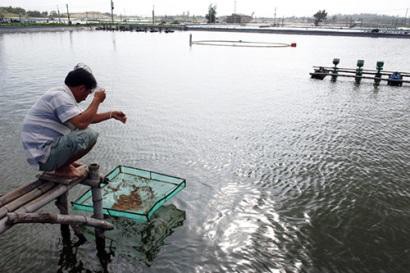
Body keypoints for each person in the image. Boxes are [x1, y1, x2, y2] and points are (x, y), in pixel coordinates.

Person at [21, 64, 127, 177]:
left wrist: (111, 114)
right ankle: (62, 168)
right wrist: (97, 100)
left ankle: (64, 163)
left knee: (81, 130)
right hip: (43, 156)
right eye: (87, 93)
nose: (86, 97)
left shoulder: (61, 94)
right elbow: (82, 123)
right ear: (81, 88)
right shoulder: (60, 97)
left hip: (42, 154)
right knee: (89, 134)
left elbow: (86, 117)